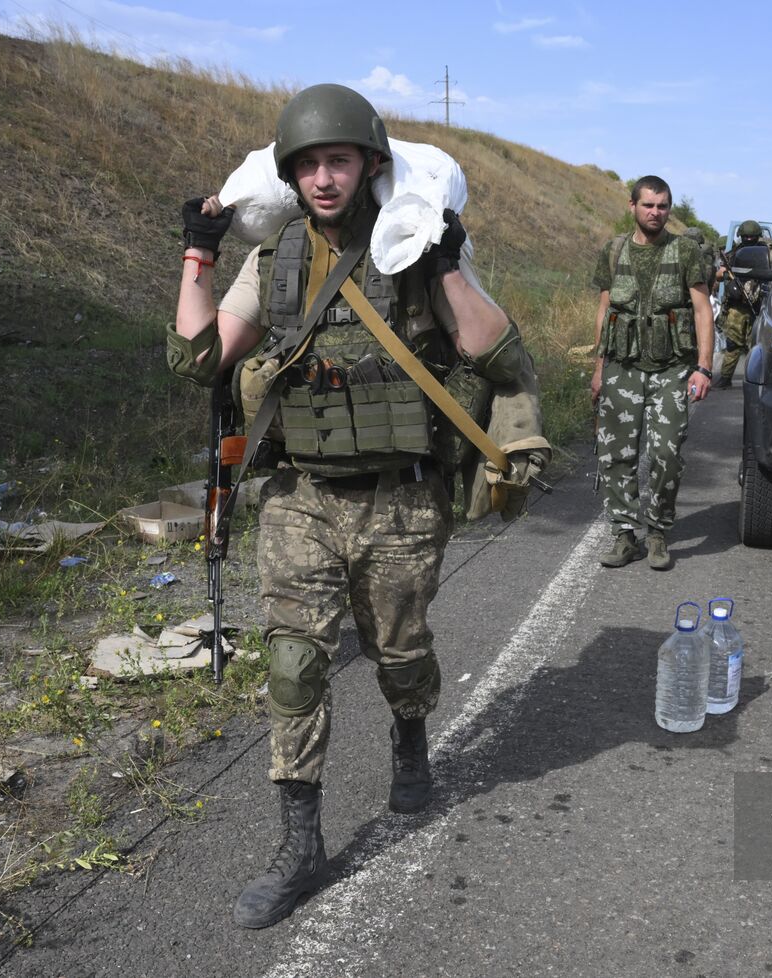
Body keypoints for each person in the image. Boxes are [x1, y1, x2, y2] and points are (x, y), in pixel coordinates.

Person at [169, 84, 534, 929]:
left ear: (370, 164)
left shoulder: (412, 245)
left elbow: (493, 350)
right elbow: (200, 360)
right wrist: (198, 254)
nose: (324, 177)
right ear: (291, 177)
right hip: (302, 499)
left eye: (338, 160)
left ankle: (411, 738)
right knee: (295, 668)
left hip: (401, 503)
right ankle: (301, 849)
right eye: (308, 164)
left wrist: (445, 261)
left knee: (400, 655)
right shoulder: (281, 260)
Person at [590, 175, 715, 570]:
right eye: (648, 205)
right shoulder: (613, 251)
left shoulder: (685, 252)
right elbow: (604, 312)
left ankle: (658, 531)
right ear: (632, 206)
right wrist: (598, 368)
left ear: (669, 210)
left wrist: (704, 368)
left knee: (666, 453)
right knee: (616, 454)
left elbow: (702, 311)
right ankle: (624, 535)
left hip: (672, 369)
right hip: (622, 368)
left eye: (662, 206)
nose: (655, 212)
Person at [714, 219, 772, 388]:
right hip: (738, 305)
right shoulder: (734, 254)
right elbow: (720, 274)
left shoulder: (769, 253)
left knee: (757, 346)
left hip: (759, 304)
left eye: (750, 236)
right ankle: (726, 378)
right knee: (733, 343)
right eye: (746, 237)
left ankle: (757, 381)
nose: (748, 239)